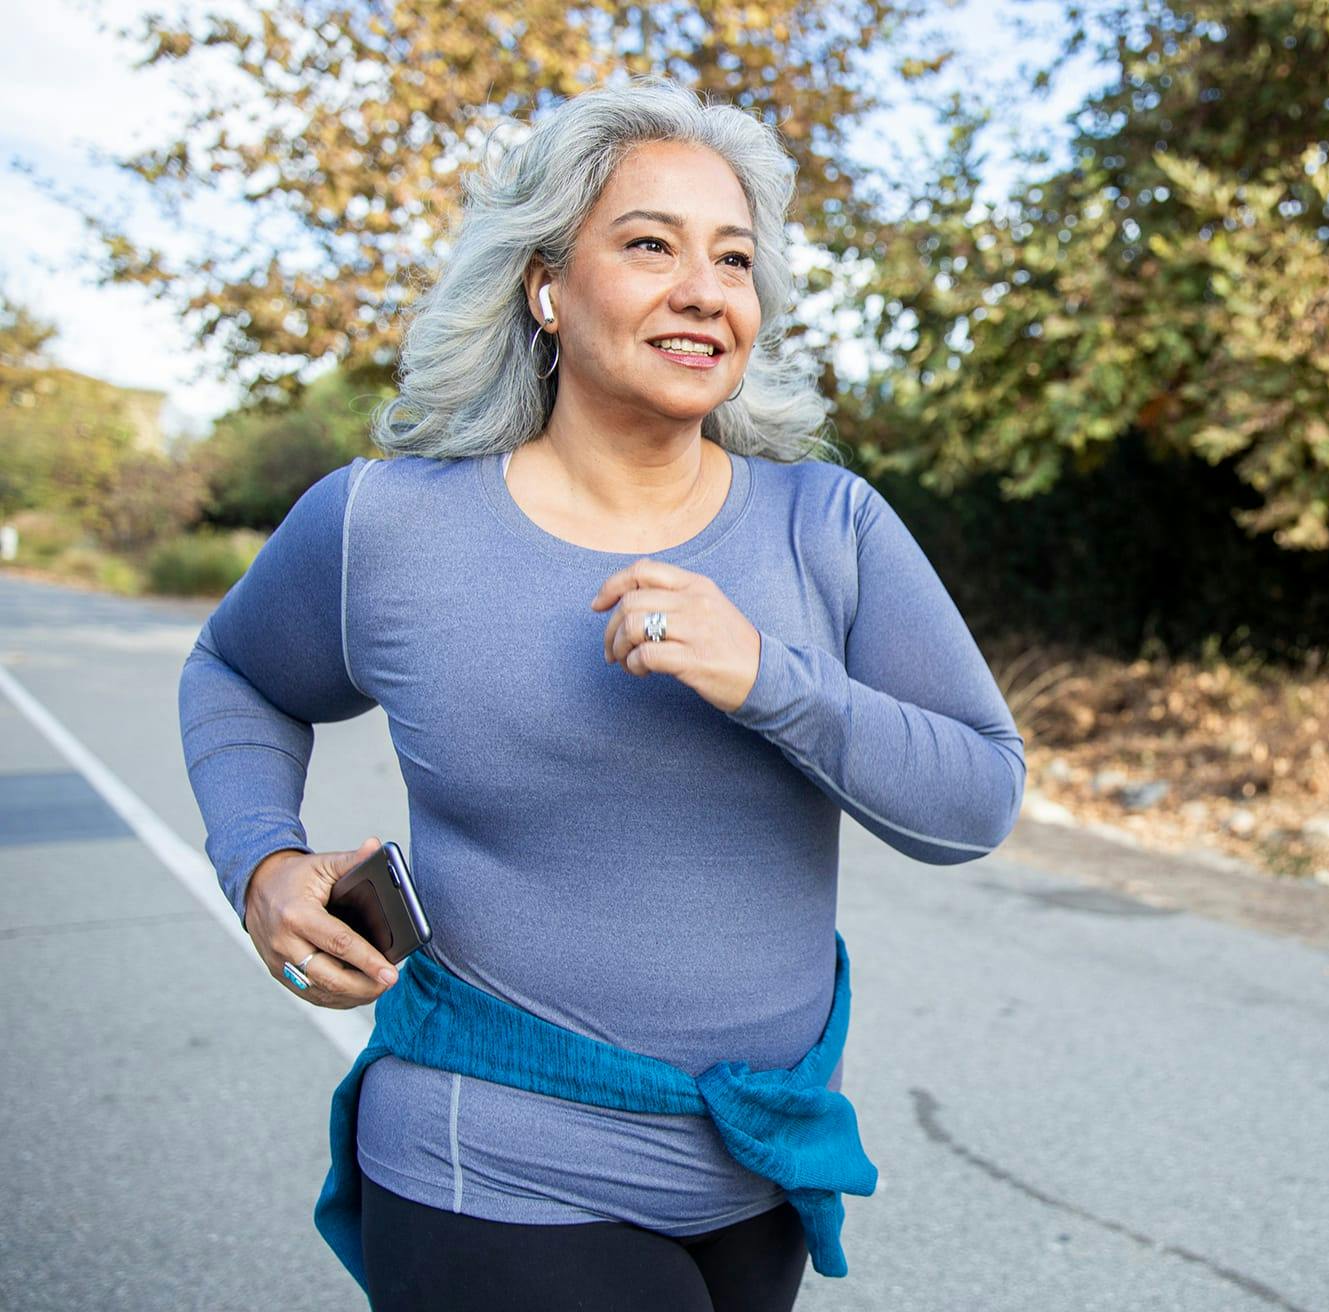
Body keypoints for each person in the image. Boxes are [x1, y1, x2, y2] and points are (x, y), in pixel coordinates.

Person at [177, 75, 1026, 1312]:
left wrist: (771, 682)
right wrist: (263, 861)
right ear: (545, 290)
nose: (703, 289)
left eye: (734, 259)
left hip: (756, 1172)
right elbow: (239, 672)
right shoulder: (391, 524)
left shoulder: (829, 524)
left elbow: (978, 799)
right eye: (648, 245)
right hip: (497, 1163)